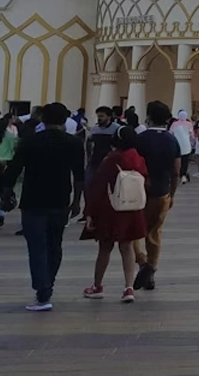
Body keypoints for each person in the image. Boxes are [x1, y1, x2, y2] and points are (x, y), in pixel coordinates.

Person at [2, 102, 84, 311]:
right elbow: (80, 176)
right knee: (54, 245)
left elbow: (13, 169)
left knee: (37, 247)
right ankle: (49, 283)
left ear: (43, 119)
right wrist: (77, 201)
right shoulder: (73, 143)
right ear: (64, 120)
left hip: (33, 201)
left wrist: (6, 191)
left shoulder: (30, 141)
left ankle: (42, 290)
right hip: (60, 201)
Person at [81, 125, 148, 303]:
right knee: (127, 247)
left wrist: (89, 212)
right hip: (132, 208)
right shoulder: (139, 159)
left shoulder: (111, 160)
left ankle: (97, 286)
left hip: (111, 208)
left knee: (105, 248)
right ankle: (129, 287)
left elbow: (98, 187)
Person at [133, 101, 181, 291]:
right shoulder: (172, 140)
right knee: (155, 232)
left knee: (135, 231)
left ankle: (142, 262)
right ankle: (151, 271)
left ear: (148, 116)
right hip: (162, 192)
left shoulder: (140, 139)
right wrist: (172, 193)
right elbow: (176, 171)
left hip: (141, 191)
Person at [84, 107, 120, 219]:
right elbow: (89, 144)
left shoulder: (116, 129)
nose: (99, 118)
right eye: (98, 116)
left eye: (102, 116)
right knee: (88, 185)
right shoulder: (95, 129)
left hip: (109, 162)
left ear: (109, 117)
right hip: (95, 161)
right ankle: (88, 211)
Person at [170, 110, 194, 185]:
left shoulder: (174, 124)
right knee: (185, 161)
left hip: (176, 145)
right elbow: (192, 136)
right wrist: (193, 143)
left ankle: (176, 175)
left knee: (176, 160)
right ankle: (183, 175)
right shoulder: (189, 124)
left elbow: (170, 133)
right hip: (186, 145)